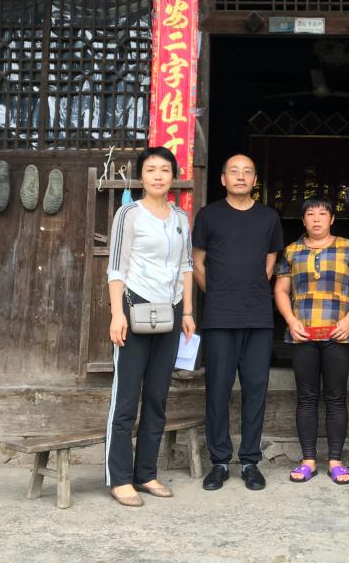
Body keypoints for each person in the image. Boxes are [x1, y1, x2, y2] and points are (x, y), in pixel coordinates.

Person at [105, 146, 196, 507]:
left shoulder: (181, 217)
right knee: (126, 397)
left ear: (173, 176)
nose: (158, 176)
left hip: (170, 313)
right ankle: (119, 477)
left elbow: (186, 266)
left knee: (157, 397)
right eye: (151, 170)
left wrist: (187, 312)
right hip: (134, 310)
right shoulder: (129, 214)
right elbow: (116, 268)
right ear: (141, 177)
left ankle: (146, 473)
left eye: (165, 170)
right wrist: (117, 314)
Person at [192, 154, 283, 491]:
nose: (241, 177)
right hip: (219, 317)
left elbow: (270, 262)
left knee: (255, 389)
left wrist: (251, 290)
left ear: (255, 180)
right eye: (234, 171)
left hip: (258, 316)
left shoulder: (268, 217)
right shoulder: (208, 215)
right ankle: (219, 461)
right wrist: (218, 294)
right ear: (223, 179)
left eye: (247, 172)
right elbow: (197, 263)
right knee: (217, 389)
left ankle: (249, 462)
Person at [274, 198, 349, 485]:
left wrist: (348, 321)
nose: (316, 219)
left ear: (332, 219)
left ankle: (335, 461)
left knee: (336, 398)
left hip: (338, 334)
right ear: (303, 221)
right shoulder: (292, 251)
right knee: (306, 397)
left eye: (322, 214)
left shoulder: (348, 247)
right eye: (310, 215)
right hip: (303, 335)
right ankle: (308, 461)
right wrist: (291, 321)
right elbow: (281, 290)